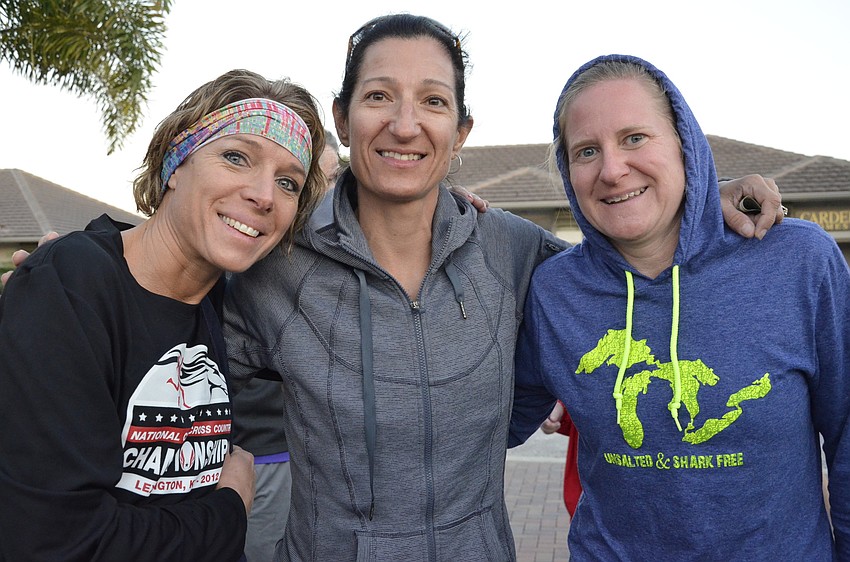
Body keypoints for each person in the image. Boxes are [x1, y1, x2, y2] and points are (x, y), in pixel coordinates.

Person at [223, 15, 784, 562]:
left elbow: (627, 259)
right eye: (378, 96)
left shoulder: (511, 248)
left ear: (460, 133)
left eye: (433, 101)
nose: (405, 125)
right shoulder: (278, 266)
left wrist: (700, 199)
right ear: (342, 121)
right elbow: (181, 362)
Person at [509, 55, 849, 560]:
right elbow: (492, 423)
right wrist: (437, 209)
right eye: (586, 151)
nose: (612, 170)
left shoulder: (798, 260)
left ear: (684, 143)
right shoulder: (554, 290)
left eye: (635, 138)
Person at [0, 69, 327, 562]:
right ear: (176, 161)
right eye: (236, 157)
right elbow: (58, 541)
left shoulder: (224, 303)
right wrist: (229, 508)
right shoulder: (74, 285)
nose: (264, 195)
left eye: (288, 182)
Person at [231, 130, 341, 562]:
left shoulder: (339, 255)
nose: (324, 193)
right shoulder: (236, 242)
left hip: (291, 456)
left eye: (332, 178)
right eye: (310, 181)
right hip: (230, 455)